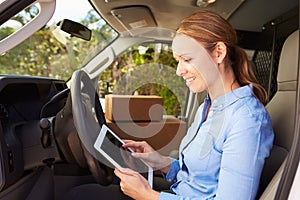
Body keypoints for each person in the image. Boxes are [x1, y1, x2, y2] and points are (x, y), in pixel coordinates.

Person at [65, 10, 274, 200]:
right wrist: (160, 162)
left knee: (78, 195)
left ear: (219, 53)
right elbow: (195, 179)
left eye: (187, 59)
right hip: (176, 193)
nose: (179, 71)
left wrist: (149, 196)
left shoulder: (246, 120)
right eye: (177, 61)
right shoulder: (208, 106)